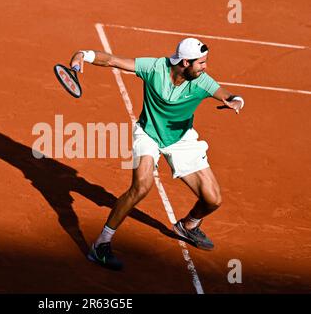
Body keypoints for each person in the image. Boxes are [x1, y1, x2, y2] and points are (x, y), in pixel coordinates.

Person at [70, 38, 245, 271]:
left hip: (181, 139)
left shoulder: (202, 82)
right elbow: (113, 60)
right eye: (201, 63)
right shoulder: (155, 68)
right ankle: (101, 244)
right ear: (185, 62)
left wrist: (236, 101)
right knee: (141, 186)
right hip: (148, 134)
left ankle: (188, 226)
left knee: (213, 199)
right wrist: (84, 53)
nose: (205, 67)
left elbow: (226, 94)